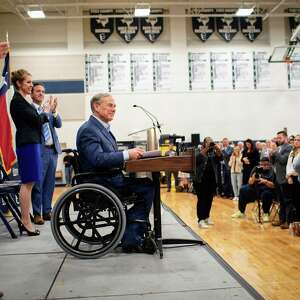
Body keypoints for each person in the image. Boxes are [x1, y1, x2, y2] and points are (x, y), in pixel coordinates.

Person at [76, 93, 155, 254]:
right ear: (97, 107)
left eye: (114, 106)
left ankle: (132, 227)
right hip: (101, 183)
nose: (114, 109)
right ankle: (131, 236)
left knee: (147, 184)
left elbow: (107, 158)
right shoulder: (89, 130)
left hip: (108, 179)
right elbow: (97, 159)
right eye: (110, 105)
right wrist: (126, 155)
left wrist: (130, 158)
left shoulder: (102, 129)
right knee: (147, 187)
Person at [9, 69, 53, 236]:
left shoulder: (24, 100)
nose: (31, 85)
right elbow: (37, 120)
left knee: (31, 182)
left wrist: (44, 113)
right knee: (27, 183)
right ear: (19, 83)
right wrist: (47, 111)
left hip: (32, 142)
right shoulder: (17, 102)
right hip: (27, 143)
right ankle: (26, 221)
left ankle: (25, 220)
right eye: (28, 82)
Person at [31, 83, 62, 225]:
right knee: (38, 184)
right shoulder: (30, 110)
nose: (41, 93)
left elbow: (58, 124)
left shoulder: (48, 109)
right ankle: (37, 213)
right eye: (38, 91)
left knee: (50, 183)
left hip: (52, 151)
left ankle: (47, 211)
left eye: (43, 91)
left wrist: (54, 111)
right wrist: (45, 111)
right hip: (39, 150)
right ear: (31, 93)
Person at [232, 157, 276, 222]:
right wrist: (254, 178)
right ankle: (241, 212)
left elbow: (273, 186)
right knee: (243, 189)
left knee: (267, 194)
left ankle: (266, 213)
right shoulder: (256, 168)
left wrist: (265, 181)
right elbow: (249, 182)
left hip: (266, 189)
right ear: (260, 164)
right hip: (255, 188)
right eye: (262, 164)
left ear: (269, 164)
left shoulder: (272, 170)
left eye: (266, 164)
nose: (264, 166)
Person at [193, 137, 223, 228]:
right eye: (208, 142)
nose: (210, 143)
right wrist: (206, 148)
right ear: (204, 143)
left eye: (211, 141)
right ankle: (200, 220)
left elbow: (220, 157)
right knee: (201, 199)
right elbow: (197, 159)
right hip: (200, 180)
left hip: (211, 180)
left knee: (209, 199)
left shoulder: (213, 152)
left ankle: (206, 217)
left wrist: (216, 147)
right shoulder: (198, 150)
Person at [270, 131, 293, 228]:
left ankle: (288, 222)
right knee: (281, 201)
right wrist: (271, 154)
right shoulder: (279, 148)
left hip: (285, 178)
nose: (278, 139)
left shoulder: (289, 147)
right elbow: (273, 162)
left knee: (287, 201)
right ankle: (281, 220)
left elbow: (283, 160)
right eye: (277, 138)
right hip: (278, 178)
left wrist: (275, 151)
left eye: (280, 138)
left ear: (285, 138)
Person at [286, 134, 300, 222]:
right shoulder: (292, 152)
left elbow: (298, 168)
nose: (296, 141)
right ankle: (295, 222)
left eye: (298, 140)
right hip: (291, 178)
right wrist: (288, 176)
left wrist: (290, 174)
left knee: (299, 201)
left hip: (298, 178)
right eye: (295, 140)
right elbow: (288, 165)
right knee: (293, 201)